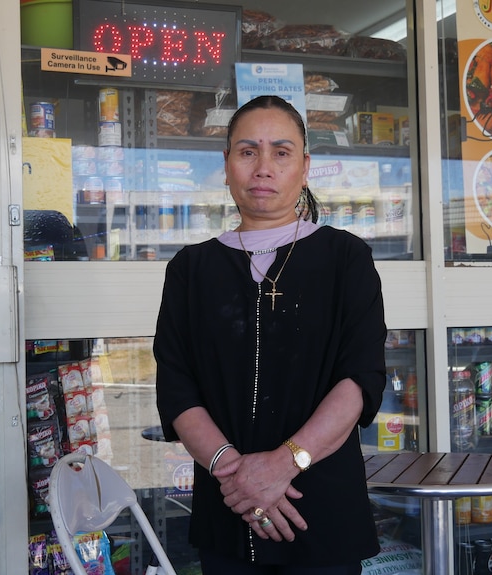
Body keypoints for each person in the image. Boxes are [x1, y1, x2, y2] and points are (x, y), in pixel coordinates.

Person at [154, 95, 386, 574]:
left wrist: (283, 464)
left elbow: (359, 380)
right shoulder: (191, 269)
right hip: (229, 509)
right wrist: (237, 475)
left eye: (281, 152)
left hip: (320, 510)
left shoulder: (347, 259)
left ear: (305, 167)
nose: (263, 167)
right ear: (226, 165)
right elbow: (176, 388)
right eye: (247, 151)